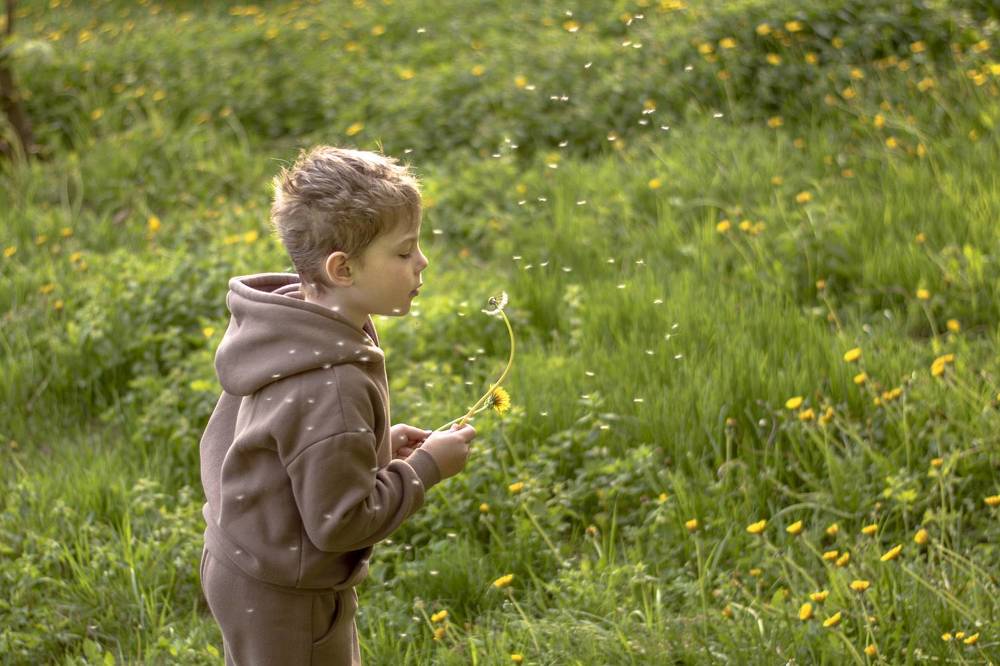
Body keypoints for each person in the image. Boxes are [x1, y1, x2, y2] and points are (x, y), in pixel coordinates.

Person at [198, 145, 477, 665]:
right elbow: (340, 523)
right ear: (343, 269)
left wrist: (372, 453)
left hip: (247, 558)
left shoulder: (288, 332)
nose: (422, 261)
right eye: (403, 251)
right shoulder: (333, 384)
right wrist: (424, 469)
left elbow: (279, 441)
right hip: (286, 592)